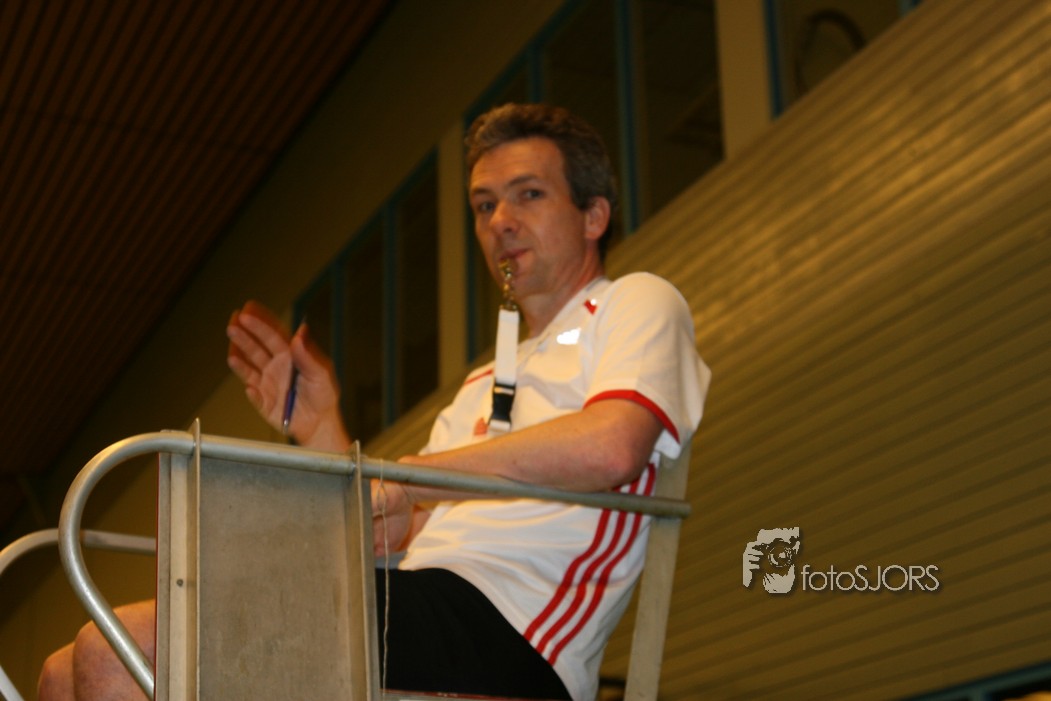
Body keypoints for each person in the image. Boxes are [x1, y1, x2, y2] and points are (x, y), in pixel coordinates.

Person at [38, 103, 710, 701]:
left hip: (512, 630)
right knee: (59, 672)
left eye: (528, 195)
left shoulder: (634, 302)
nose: (501, 222)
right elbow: (389, 540)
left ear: (594, 215)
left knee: (111, 648)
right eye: (483, 206)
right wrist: (321, 428)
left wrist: (411, 476)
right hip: (418, 605)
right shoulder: (482, 382)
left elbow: (611, 446)